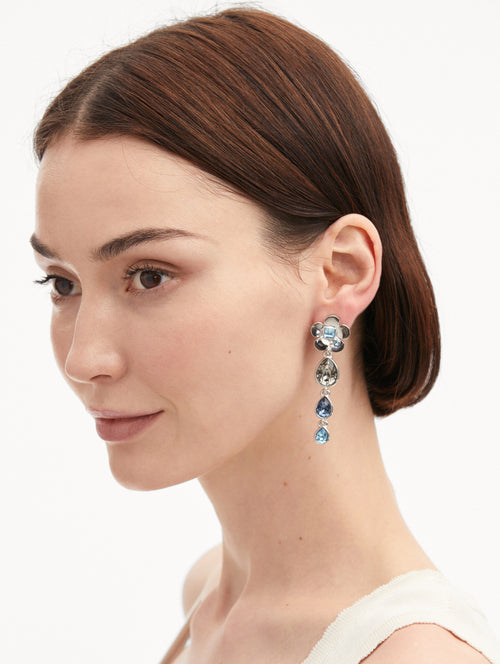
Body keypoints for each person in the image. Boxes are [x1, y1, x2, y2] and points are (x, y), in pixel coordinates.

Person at [30, 7, 499, 663]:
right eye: (62, 284)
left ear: (341, 271)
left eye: (149, 276)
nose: (84, 359)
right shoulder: (208, 596)